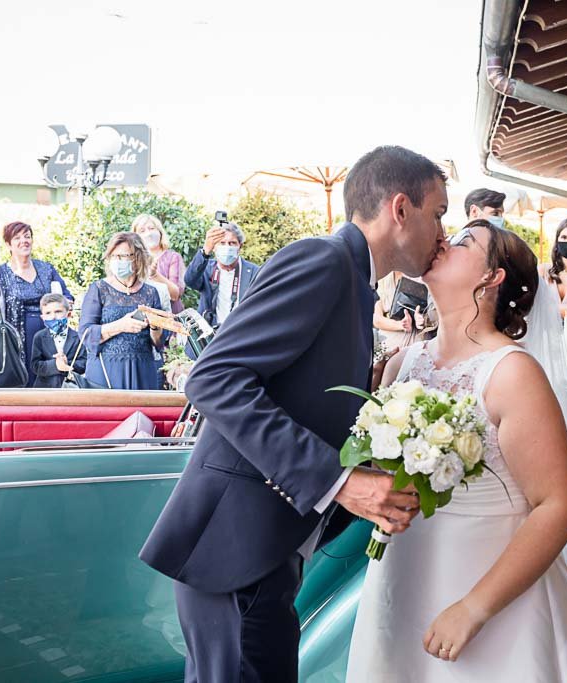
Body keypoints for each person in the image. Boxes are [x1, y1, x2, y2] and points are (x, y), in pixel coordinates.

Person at [139, 145, 449, 681]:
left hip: (260, 552)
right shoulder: (323, 260)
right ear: (401, 209)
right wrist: (340, 480)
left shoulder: (354, 280)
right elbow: (213, 378)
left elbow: (301, 398)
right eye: (439, 213)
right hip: (234, 553)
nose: (443, 232)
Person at [348, 220, 567, 681]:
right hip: (404, 577)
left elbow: (559, 506)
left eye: (461, 242)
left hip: (490, 592)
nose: (441, 243)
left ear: (491, 278)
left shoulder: (512, 374)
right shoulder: (401, 364)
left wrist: (474, 608)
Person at [0, 221, 74, 386]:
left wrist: (66, 302)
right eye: (17, 238)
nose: (24, 241)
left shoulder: (46, 269)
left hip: (48, 335)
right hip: (17, 340)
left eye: (27, 236)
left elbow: (66, 295)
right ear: (8, 244)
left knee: (50, 382)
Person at [78, 232, 166, 390]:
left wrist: (154, 326)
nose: (117, 261)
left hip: (143, 369)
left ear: (137, 258)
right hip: (105, 370)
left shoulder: (151, 293)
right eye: (114, 256)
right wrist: (121, 325)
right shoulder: (99, 289)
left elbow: (159, 343)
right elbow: (85, 334)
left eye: (122, 256)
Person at [184, 221, 260, 329]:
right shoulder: (206, 268)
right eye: (222, 243)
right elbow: (189, 280)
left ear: (240, 246)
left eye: (232, 243)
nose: (227, 247)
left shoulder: (254, 272)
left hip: (241, 332)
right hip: (209, 335)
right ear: (214, 247)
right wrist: (205, 252)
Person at [29, 293, 86, 388]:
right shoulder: (39, 337)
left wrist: (67, 363)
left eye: (58, 311)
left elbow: (84, 363)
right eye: (48, 313)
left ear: (69, 314)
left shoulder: (78, 337)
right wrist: (55, 365)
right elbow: (35, 365)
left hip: (71, 389)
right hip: (45, 390)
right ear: (42, 318)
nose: (53, 317)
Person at [131, 214, 186, 313]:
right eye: (142, 231)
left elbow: (175, 295)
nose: (148, 233)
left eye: (151, 228)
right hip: (143, 319)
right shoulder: (133, 260)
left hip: (170, 319)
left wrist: (155, 275)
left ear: (160, 232)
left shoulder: (172, 257)